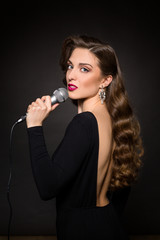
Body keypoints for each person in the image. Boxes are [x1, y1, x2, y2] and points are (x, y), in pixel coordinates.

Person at [26, 35, 144, 240]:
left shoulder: (84, 124)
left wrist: (35, 126)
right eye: (70, 66)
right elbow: (123, 188)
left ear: (106, 80)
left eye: (84, 69)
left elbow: (47, 187)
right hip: (108, 222)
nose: (71, 75)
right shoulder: (112, 118)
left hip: (82, 230)